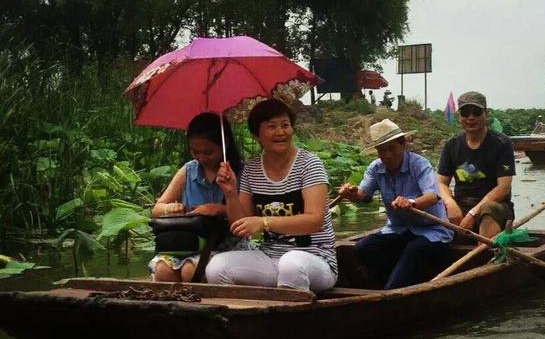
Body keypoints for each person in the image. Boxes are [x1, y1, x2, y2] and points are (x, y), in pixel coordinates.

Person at [206, 99, 337, 293]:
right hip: (270, 258)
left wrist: (264, 222)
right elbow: (242, 226)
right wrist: (230, 193)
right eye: (271, 127)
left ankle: (288, 319)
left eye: (285, 125)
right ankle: (246, 316)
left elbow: (314, 221)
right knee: (216, 267)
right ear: (256, 135)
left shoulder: (309, 165)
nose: (281, 132)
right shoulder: (252, 170)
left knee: (291, 265)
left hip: (315, 258)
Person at [338, 119, 453, 289]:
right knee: (364, 247)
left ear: (403, 145)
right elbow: (362, 195)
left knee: (414, 250)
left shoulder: (420, 165)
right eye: (382, 150)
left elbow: (433, 196)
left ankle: (393, 289)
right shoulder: (375, 168)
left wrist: (411, 202)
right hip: (398, 230)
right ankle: (389, 285)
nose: (387, 155)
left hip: (432, 231)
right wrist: (351, 193)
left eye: (392, 148)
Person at [149, 112, 243, 282]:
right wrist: (170, 208)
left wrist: (220, 209)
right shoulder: (188, 170)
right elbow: (157, 209)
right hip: (186, 243)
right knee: (163, 271)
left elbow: (246, 217)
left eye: (208, 152)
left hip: (223, 244)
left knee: (190, 271)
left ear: (224, 144)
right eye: (195, 152)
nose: (202, 158)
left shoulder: (240, 172)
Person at [437, 91, 516, 240]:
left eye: (476, 112)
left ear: (485, 114)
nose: (471, 118)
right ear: (459, 116)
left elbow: (503, 188)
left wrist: (473, 213)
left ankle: (485, 255)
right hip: (461, 204)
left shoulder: (502, 143)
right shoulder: (451, 144)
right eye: (465, 113)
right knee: (433, 207)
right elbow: (441, 183)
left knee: (488, 209)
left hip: (495, 206)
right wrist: (450, 203)